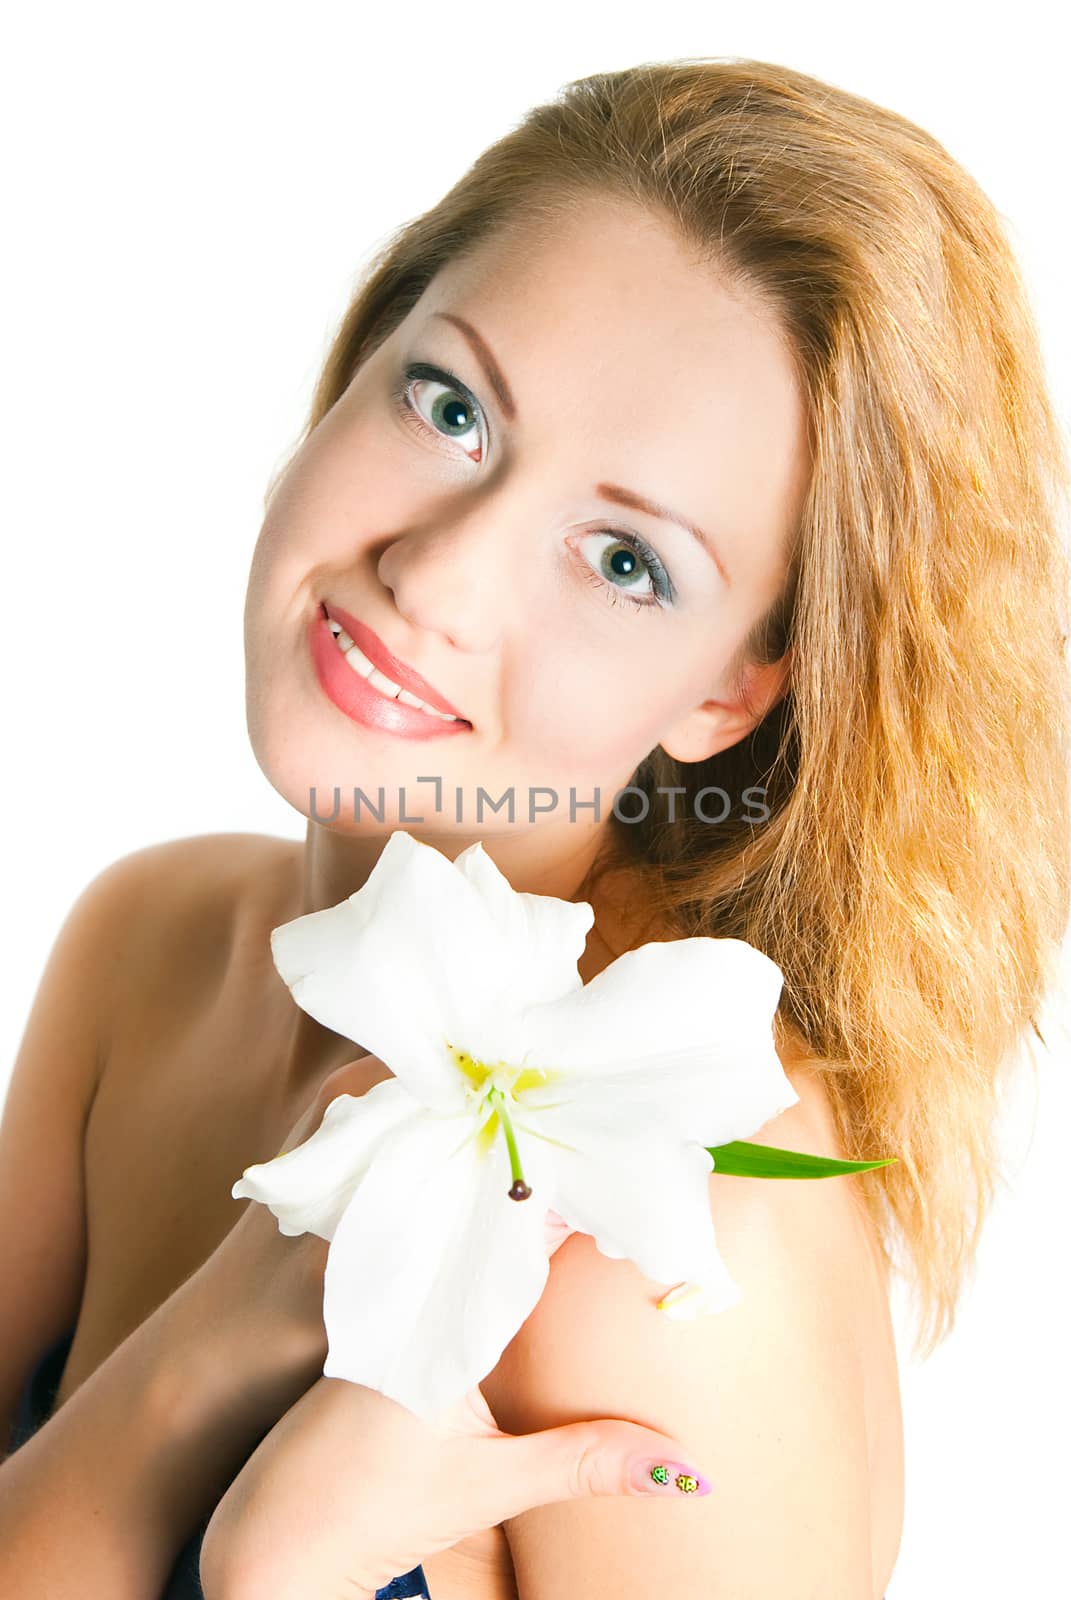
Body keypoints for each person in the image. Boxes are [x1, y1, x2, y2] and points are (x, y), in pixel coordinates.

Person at [1, 53, 1066, 1600]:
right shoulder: (148, 945)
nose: (436, 580)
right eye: (450, 408)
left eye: (626, 562)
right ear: (358, 360)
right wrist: (201, 1369)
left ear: (734, 690)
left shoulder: (684, 1240)